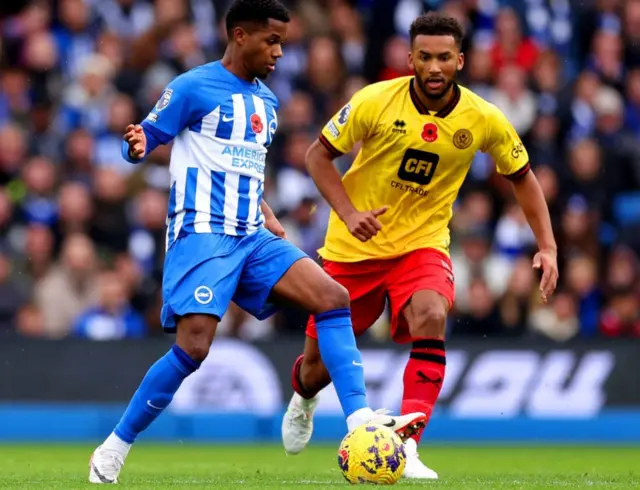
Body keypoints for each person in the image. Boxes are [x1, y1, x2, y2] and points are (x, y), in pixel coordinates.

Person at [89, 0, 427, 484]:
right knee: (195, 348)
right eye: (272, 41)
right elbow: (143, 134)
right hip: (202, 233)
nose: (280, 53)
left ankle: (359, 422)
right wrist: (136, 144)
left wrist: (267, 212)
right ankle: (116, 445)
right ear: (240, 35)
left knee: (332, 297)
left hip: (252, 234)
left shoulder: (267, 102)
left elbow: (246, 168)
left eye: (283, 43)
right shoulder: (192, 86)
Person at [281, 12, 559, 480]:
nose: (434, 67)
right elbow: (317, 156)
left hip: (422, 243)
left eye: (444, 58)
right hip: (354, 247)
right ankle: (304, 398)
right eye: (425, 57)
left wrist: (548, 246)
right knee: (315, 369)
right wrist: (349, 214)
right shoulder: (374, 101)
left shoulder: (483, 117)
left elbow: (523, 178)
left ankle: (407, 446)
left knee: (431, 314)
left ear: (461, 60)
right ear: (410, 58)